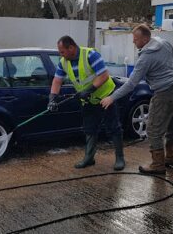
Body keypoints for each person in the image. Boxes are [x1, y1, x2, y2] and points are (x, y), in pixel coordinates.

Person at [101, 24, 173, 174]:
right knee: (171, 127)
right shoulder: (163, 42)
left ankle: (158, 164)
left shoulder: (146, 57)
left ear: (145, 39)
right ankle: (171, 156)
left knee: (153, 130)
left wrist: (112, 97)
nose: (134, 42)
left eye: (136, 39)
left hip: (163, 94)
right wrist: (166, 70)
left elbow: (131, 84)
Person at [48, 35, 125, 171]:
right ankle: (89, 158)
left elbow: (104, 75)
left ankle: (119, 158)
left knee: (113, 127)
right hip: (88, 101)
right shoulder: (63, 62)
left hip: (106, 97)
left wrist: (90, 89)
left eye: (62, 51)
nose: (61, 54)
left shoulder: (90, 55)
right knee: (89, 129)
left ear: (71, 48)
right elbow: (57, 81)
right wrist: (52, 98)